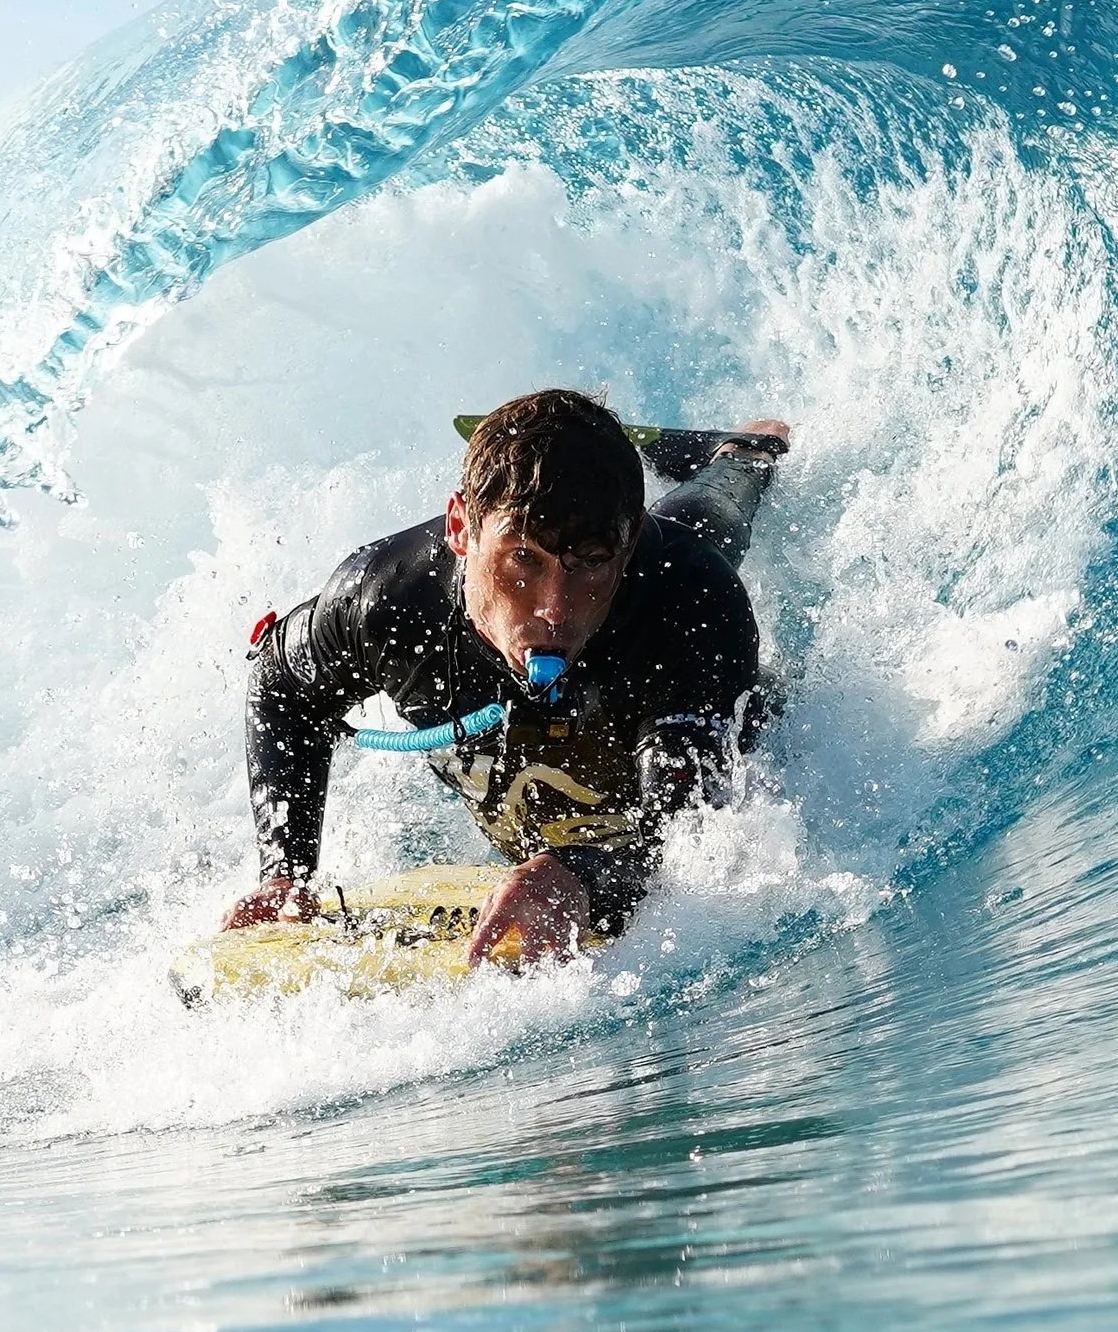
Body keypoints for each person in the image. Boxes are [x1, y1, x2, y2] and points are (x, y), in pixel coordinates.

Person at [224, 389, 791, 966]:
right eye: (524, 558)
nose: (555, 610)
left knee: (712, 518)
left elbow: (690, 839)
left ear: (626, 550)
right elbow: (279, 686)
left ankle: (741, 457)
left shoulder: (690, 608)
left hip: (705, 681)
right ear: (460, 527)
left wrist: (583, 873)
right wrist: (285, 870)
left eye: (591, 563)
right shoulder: (389, 602)